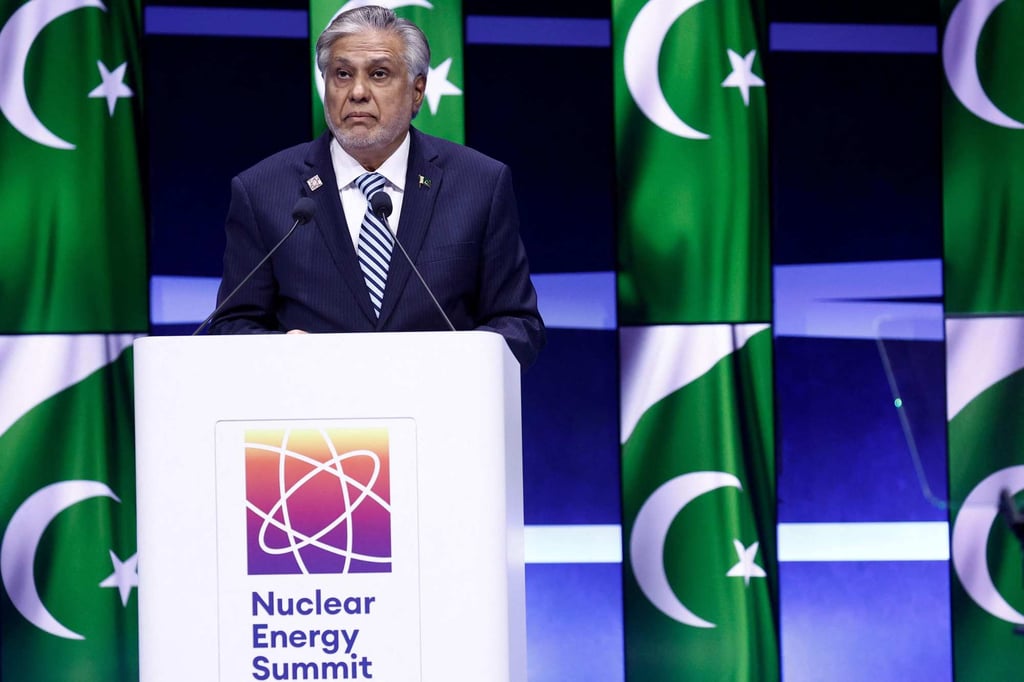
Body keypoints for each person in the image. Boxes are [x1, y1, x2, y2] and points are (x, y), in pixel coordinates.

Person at [207, 5, 545, 369]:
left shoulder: (480, 184)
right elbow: (231, 325)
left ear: (417, 91)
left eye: (379, 74)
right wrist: (282, 351)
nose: (357, 92)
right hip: (317, 417)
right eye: (341, 74)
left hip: (440, 412)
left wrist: (455, 361)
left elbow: (519, 324)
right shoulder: (262, 191)